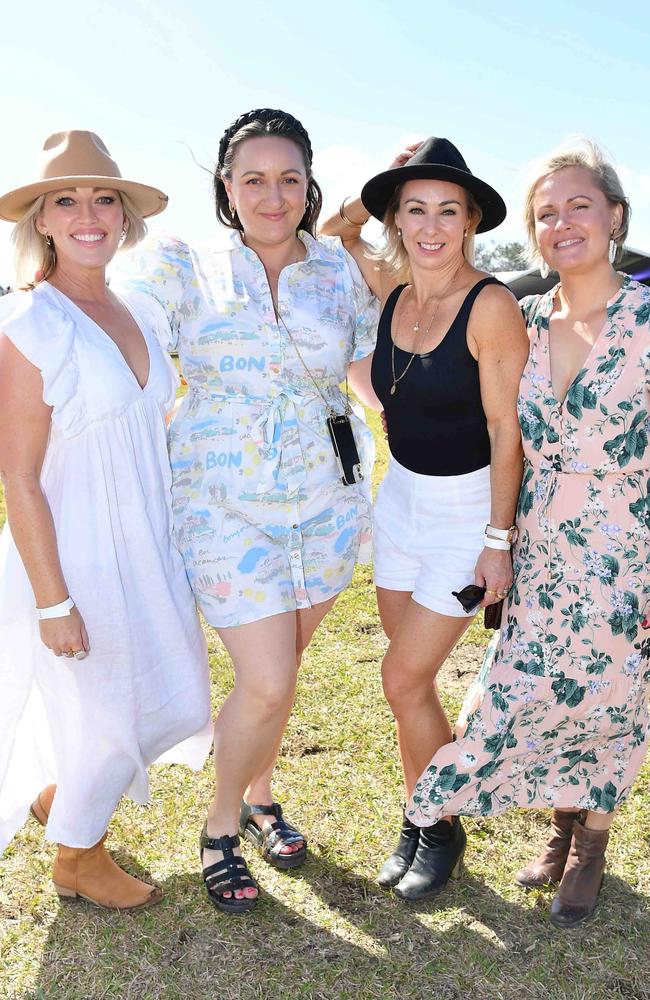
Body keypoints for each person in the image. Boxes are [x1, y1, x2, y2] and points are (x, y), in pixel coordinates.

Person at [113, 108, 379, 913]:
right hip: (224, 504)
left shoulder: (338, 270)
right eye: (254, 179)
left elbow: (368, 370)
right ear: (227, 186)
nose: (273, 195)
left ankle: (263, 796)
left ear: (309, 187)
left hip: (327, 501)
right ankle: (223, 825)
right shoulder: (182, 264)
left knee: (283, 670)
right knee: (265, 680)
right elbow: (120, 324)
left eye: (289, 179)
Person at [404, 140, 650, 928]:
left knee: (614, 696)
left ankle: (591, 843)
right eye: (547, 212)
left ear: (615, 215)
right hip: (544, 541)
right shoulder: (526, 318)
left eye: (579, 204)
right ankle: (557, 820)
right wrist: (502, 541)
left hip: (629, 544)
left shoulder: (647, 319)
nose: (562, 222)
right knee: (529, 689)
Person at [0, 131, 212, 910]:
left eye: (103, 200)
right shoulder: (29, 326)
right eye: (67, 200)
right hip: (75, 552)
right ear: (43, 222)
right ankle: (77, 860)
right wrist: (54, 601)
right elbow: (18, 476)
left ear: (124, 220)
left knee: (176, 697)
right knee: (106, 705)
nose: (88, 214)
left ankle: (61, 795)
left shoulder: (140, 313)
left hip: (146, 541)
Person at [320, 138, 529, 900]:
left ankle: (437, 822)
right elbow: (334, 229)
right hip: (399, 499)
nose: (431, 226)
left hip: (467, 511)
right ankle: (421, 813)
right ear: (396, 221)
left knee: (401, 676)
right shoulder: (393, 288)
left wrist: (498, 542)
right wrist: (385, 174)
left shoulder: (492, 305)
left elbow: (509, 433)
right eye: (414, 210)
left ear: (471, 220)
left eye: (448, 210)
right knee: (409, 682)